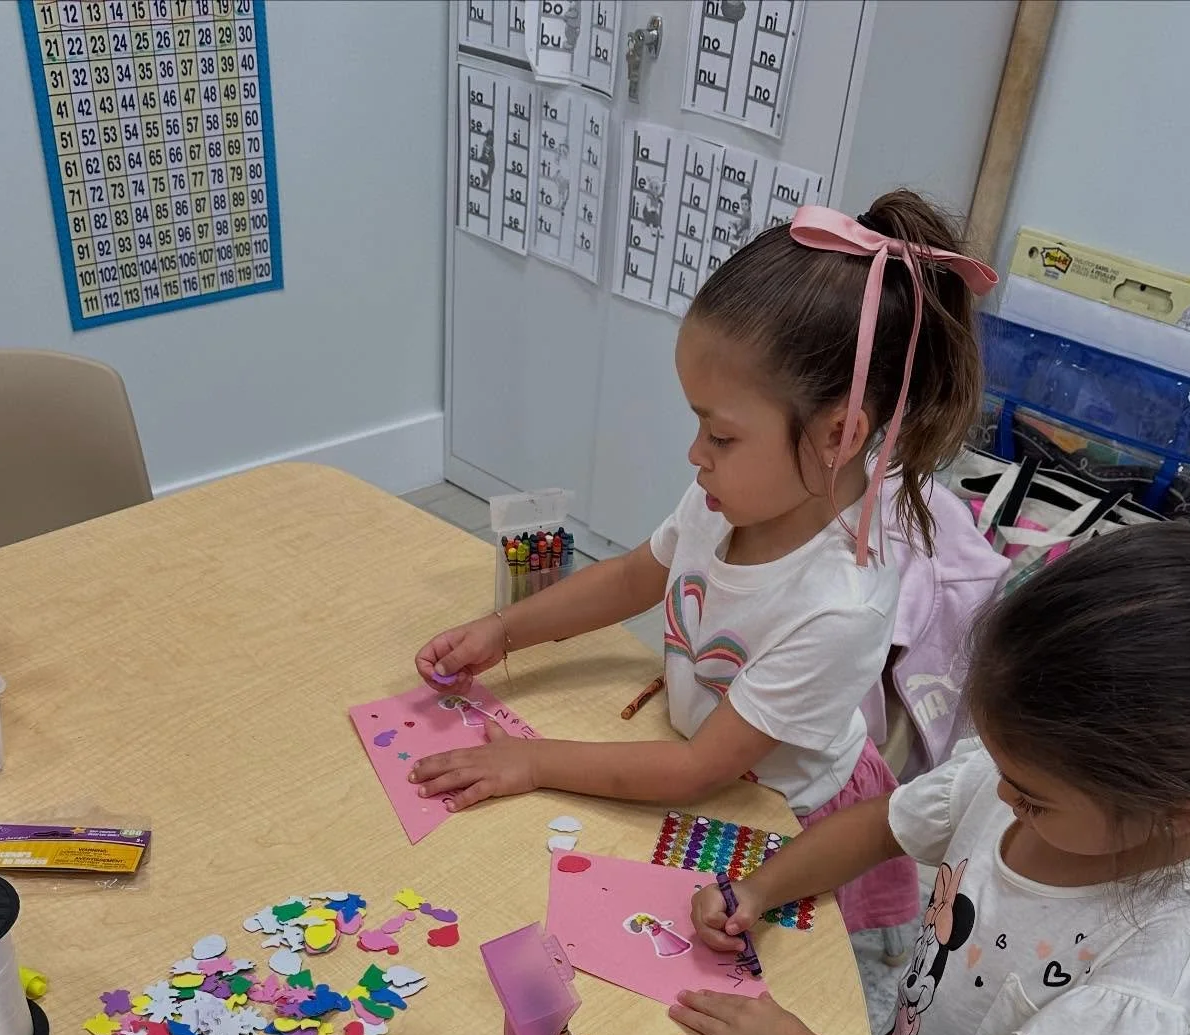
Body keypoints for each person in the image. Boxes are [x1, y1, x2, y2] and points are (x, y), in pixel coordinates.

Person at [409, 191, 995, 932]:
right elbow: (632, 577)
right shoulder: (725, 502)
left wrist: (529, 761)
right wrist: (504, 631)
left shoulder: (841, 607)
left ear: (839, 435)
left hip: (781, 818)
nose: (695, 456)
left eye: (719, 436)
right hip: (693, 756)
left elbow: (696, 773)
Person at [675, 523, 1190, 1035]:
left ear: (1177, 812)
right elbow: (879, 827)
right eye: (1000, 765)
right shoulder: (1027, 780)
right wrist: (761, 889)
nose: (1000, 792)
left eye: (1033, 799)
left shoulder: (1170, 954)